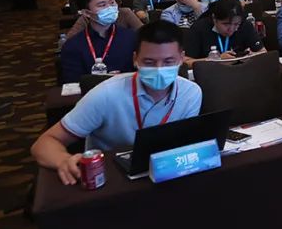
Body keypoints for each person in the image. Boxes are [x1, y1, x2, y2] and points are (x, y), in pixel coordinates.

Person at [32, 21, 202, 184]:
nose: (159, 69)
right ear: (135, 59)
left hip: (165, 172)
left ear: (181, 58)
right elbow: (44, 143)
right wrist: (63, 160)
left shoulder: (191, 93)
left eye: (168, 62)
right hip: (111, 177)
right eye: (149, 62)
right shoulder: (106, 94)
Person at [60, 0, 138, 85]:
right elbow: (73, 83)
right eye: (102, 5)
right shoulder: (73, 46)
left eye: (112, 2)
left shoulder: (131, 37)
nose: (110, 8)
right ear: (87, 13)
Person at [184, 0, 263, 64]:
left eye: (236, 24)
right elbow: (186, 62)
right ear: (214, 19)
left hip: (241, 71)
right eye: (226, 24)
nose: (231, 29)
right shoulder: (199, 28)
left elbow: (263, 52)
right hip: (210, 73)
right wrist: (217, 60)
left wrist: (252, 56)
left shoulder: (245, 25)